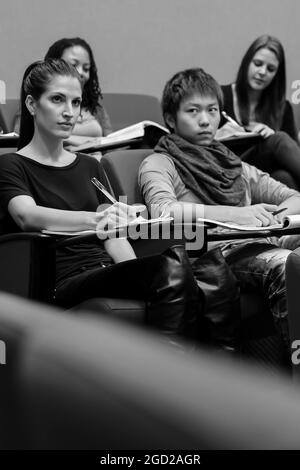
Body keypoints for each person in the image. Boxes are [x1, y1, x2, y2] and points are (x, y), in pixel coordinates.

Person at [0, 59, 202, 346]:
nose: (69, 112)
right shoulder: (11, 165)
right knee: (171, 267)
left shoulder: (89, 166)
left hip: (104, 270)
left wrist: (135, 275)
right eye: (57, 100)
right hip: (59, 279)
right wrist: (96, 220)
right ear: (32, 104)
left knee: (209, 267)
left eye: (76, 102)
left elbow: (114, 237)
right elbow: (27, 216)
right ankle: (168, 380)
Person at [138, 67, 300, 355]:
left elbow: (292, 196)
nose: (205, 120)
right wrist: (238, 215)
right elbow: (163, 212)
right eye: (193, 110)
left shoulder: (231, 163)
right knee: (286, 263)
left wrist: (267, 220)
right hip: (213, 254)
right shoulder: (159, 163)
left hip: (260, 240)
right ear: (170, 119)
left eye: (212, 110)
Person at [221, 35, 300, 189]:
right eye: (257, 64)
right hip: (233, 168)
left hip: (265, 177)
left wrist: (270, 135)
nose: (262, 72)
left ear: (277, 74)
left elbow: (292, 155)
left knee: (283, 177)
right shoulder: (221, 97)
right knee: (279, 139)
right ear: (247, 63)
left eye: (271, 69)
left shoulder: (283, 107)